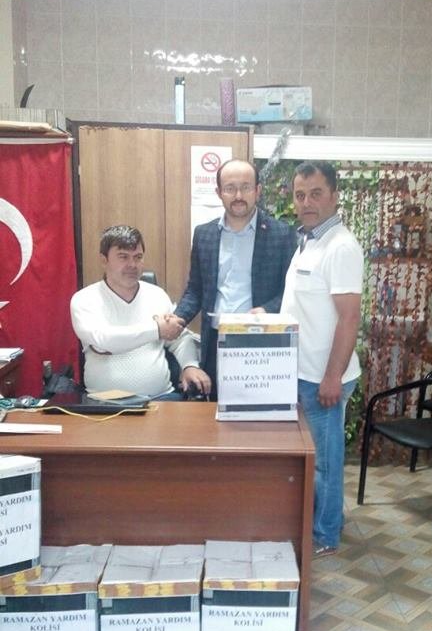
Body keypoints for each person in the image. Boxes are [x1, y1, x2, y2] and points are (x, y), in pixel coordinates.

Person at [280, 161, 363, 558]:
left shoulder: (340, 246)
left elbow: (350, 318)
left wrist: (333, 377)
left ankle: (326, 535)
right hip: (302, 373)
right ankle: (329, 519)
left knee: (325, 463)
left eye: (315, 193)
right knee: (314, 460)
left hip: (323, 378)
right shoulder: (309, 241)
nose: (307, 202)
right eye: (300, 195)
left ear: (334, 196)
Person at [175, 158, 297, 398]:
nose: (238, 195)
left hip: (262, 344)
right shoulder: (204, 234)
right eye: (230, 188)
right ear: (219, 192)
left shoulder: (282, 234)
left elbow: (290, 291)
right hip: (215, 341)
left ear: (258, 191)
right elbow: (196, 290)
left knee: (259, 411)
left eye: (246, 187)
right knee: (216, 411)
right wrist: (178, 318)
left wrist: (267, 309)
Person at [70, 225, 211, 399]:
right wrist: (156, 329)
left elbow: (179, 338)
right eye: (123, 257)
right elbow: (104, 340)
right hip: (104, 402)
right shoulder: (84, 299)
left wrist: (190, 365)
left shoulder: (157, 295)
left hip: (161, 398)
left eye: (138, 257)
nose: (132, 265)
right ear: (104, 260)